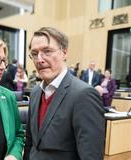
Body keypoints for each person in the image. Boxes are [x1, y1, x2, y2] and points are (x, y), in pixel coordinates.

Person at [23, 27, 105, 160]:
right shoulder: (36, 93)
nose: (39, 59)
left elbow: (91, 155)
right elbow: (31, 143)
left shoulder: (84, 95)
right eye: (34, 53)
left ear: (64, 52)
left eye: (47, 51)